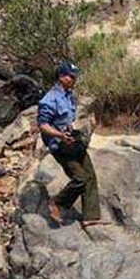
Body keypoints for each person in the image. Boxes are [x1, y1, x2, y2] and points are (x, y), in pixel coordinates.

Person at [37, 62, 108, 228]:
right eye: (71, 76)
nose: (74, 79)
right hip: (60, 146)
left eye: (75, 76)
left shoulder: (68, 95)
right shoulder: (49, 100)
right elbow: (43, 125)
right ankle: (57, 203)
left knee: (90, 176)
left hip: (73, 141)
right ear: (61, 77)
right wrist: (60, 135)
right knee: (80, 179)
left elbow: (68, 118)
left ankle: (90, 217)